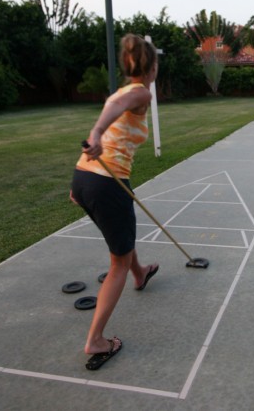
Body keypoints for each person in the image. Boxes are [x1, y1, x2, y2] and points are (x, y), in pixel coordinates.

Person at [70, 34, 160, 370]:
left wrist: (82, 178)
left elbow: (112, 114)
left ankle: (141, 273)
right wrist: (94, 133)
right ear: (151, 66)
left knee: (123, 241)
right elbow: (111, 114)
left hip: (88, 177)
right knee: (116, 263)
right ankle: (96, 340)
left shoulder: (122, 90)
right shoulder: (140, 92)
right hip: (106, 182)